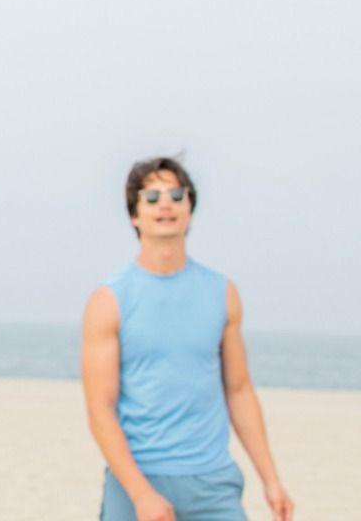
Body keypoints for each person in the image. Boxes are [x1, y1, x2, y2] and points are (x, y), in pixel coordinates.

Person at [81, 157, 294, 521]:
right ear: (134, 215)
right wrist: (141, 494)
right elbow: (100, 409)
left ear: (190, 210)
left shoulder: (222, 292)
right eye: (152, 197)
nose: (166, 203)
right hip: (137, 481)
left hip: (212, 484)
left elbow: (239, 390)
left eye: (177, 195)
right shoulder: (109, 300)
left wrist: (271, 479)